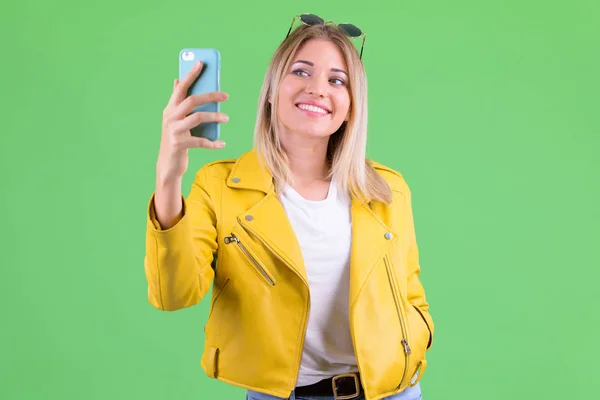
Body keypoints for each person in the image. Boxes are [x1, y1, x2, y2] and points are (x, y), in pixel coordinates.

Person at [144, 14, 434, 400]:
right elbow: (173, 295)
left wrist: (419, 333)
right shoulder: (220, 187)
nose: (317, 89)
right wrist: (168, 178)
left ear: (350, 106)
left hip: (392, 393)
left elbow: (409, 291)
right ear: (271, 90)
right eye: (301, 71)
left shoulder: (387, 190)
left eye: (337, 80)